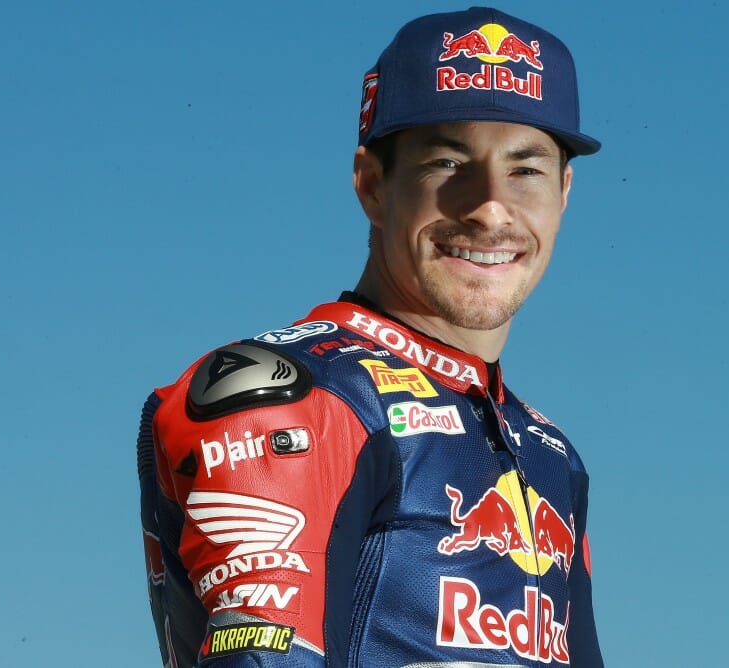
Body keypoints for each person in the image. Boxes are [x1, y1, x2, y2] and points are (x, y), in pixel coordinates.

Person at [137, 6, 604, 667]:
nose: (490, 207)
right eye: (448, 162)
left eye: (525, 169)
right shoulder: (297, 397)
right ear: (373, 185)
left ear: (564, 191)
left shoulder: (551, 452)